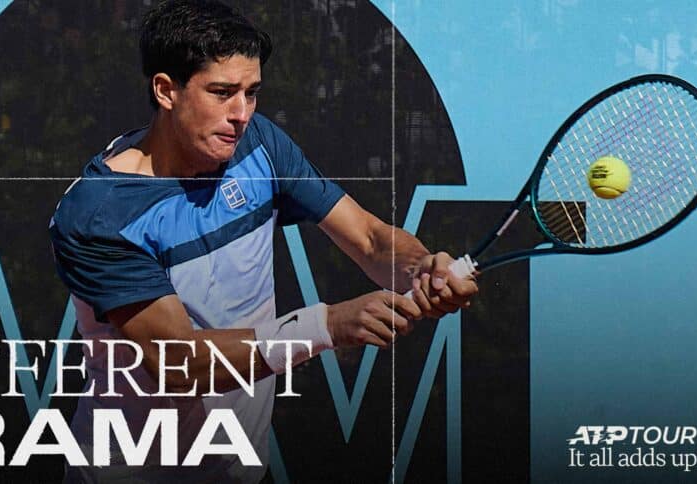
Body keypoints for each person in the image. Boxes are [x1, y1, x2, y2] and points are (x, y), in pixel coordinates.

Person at [49, 0, 478, 482]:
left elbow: (370, 238)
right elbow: (180, 363)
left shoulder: (259, 147)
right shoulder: (101, 216)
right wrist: (328, 324)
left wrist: (422, 268)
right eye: (221, 93)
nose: (241, 114)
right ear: (166, 90)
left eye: (251, 93)